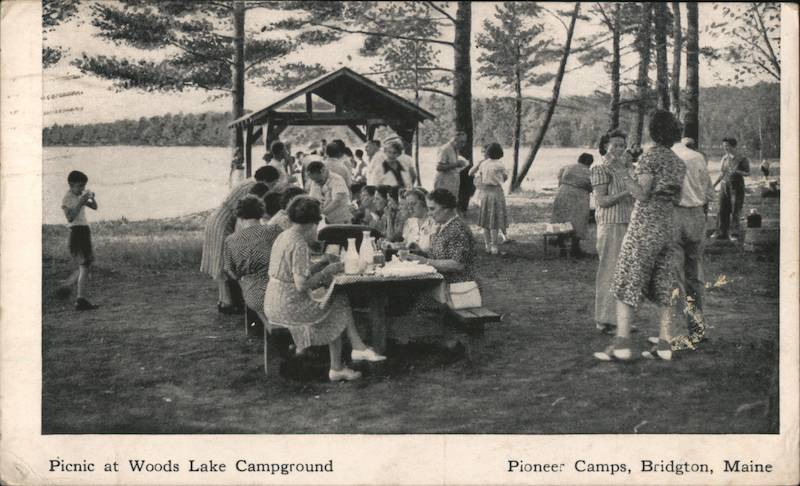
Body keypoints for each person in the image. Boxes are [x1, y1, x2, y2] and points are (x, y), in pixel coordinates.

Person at [595, 109, 686, 362]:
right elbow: (677, 197)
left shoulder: (650, 157)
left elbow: (642, 194)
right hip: (668, 226)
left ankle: (622, 343)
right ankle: (665, 345)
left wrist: (625, 174)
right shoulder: (678, 163)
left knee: (627, 280)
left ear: (653, 131)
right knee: (665, 284)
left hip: (644, 226)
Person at [264, 196, 386, 382]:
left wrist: (321, 263)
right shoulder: (299, 244)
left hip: (274, 300)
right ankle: (345, 359)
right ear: (313, 224)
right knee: (338, 300)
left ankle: (353, 351)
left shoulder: (285, 235)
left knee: (334, 297)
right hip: (288, 306)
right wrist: (327, 271)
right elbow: (302, 284)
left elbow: (293, 274)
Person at [201, 166, 273, 314]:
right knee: (221, 263)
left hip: (221, 219)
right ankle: (227, 303)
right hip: (222, 222)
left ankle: (225, 301)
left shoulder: (248, 182)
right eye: (271, 183)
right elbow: (245, 212)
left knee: (223, 262)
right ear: (265, 180)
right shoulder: (251, 187)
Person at [668, 126, 714, 351]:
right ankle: (697, 328)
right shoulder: (697, 157)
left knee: (675, 275)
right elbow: (709, 193)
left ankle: (677, 333)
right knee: (694, 273)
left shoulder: (666, 157)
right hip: (697, 214)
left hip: (675, 214)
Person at [590, 130, 635, 334]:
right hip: (610, 224)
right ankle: (604, 320)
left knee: (624, 272)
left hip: (627, 222)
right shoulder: (600, 167)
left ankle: (620, 320)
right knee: (609, 271)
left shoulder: (625, 168)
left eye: (622, 145)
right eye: (615, 144)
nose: (619, 149)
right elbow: (602, 201)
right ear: (605, 146)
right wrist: (628, 191)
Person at [223, 196, 283, 327]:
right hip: (280, 293)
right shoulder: (274, 230)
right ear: (261, 212)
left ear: (239, 216)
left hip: (255, 297)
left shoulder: (231, 240)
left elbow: (231, 272)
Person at [402, 188, 475, 284]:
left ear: (446, 209)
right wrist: (418, 252)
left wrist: (425, 261)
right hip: (444, 284)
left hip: (459, 287)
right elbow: (438, 256)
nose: (429, 213)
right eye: (428, 209)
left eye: (432, 209)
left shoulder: (458, 229)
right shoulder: (444, 226)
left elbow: (458, 264)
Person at [58, 170, 100, 310]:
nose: (82, 188)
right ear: (71, 184)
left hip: (84, 230)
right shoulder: (67, 198)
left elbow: (94, 207)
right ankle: (77, 297)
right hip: (76, 232)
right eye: (80, 185)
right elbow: (69, 218)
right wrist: (81, 203)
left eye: (84, 186)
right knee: (84, 264)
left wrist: (91, 198)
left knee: (86, 264)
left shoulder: (79, 194)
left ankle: (79, 297)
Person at [552, 153, 594, 258]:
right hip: (579, 195)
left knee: (561, 218)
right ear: (589, 163)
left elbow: (559, 179)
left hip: (563, 192)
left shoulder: (567, 167)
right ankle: (575, 248)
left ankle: (562, 247)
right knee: (578, 220)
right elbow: (592, 186)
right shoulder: (589, 172)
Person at [469, 142, 508, 255]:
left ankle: (487, 245)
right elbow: (504, 178)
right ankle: (494, 246)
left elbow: (479, 176)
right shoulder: (500, 165)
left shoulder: (483, 164)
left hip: (485, 192)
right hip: (496, 192)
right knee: (494, 220)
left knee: (486, 219)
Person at [712, 137, 750, 240]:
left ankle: (734, 233)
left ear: (733, 146)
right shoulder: (724, 158)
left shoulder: (742, 158)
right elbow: (721, 173)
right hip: (724, 186)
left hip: (736, 186)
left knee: (735, 210)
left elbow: (747, 173)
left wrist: (737, 171)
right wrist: (714, 185)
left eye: (727, 146)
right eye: (724, 146)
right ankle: (721, 232)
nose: (725, 148)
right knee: (722, 209)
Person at [434, 130, 469, 203]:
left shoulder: (455, 149)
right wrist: (456, 164)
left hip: (452, 183)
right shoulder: (445, 149)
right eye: (461, 142)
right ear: (454, 140)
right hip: (444, 183)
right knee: (443, 203)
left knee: (452, 203)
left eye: (464, 142)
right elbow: (439, 167)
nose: (463, 145)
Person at [399, 187, 437, 252]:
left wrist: (418, 252)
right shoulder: (410, 222)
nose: (410, 208)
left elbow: (435, 250)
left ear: (424, 203)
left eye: (413, 204)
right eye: (408, 204)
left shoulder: (434, 222)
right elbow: (405, 243)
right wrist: (393, 245)